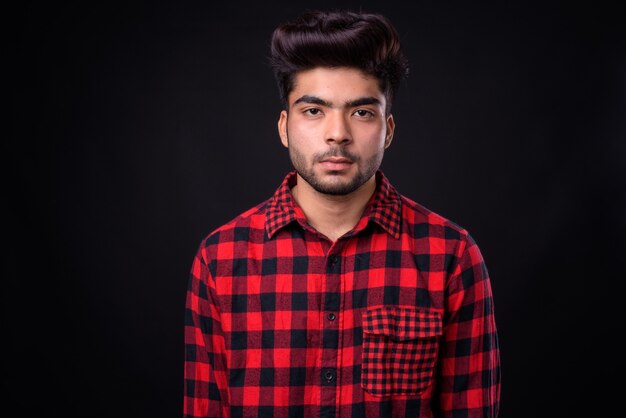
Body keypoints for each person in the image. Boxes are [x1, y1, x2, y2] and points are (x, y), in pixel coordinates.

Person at [184, 9, 500, 418]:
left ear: (388, 129)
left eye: (361, 112)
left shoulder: (452, 257)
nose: (338, 133)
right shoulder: (220, 259)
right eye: (313, 111)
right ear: (284, 127)